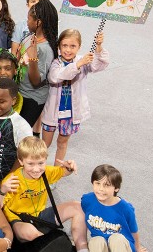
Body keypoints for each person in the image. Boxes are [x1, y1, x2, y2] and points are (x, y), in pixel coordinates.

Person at [0, 137, 86, 252]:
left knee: (78, 207)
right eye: (30, 164)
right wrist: (2, 191)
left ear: (46, 159)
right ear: (21, 161)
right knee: (31, 233)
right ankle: (59, 251)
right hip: (19, 220)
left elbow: (63, 172)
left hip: (39, 216)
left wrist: (69, 168)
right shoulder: (13, 180)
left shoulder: (46, 172)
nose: (36, 169)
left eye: (41, 163)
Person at [43, 30, 109, 162]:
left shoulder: (82, 60)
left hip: (71, 114)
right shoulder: (56, 63)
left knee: (62, 143)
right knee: (44, 145)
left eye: (73, 46)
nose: (68, 50)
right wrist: (78, 64)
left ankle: (57, 172)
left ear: (79, 46)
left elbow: (99, 65)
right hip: (52, 112)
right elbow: (55, 77)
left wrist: (99, 46)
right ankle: (38, 169)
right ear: (59, 46)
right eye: (64, 45)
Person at [17, 0, 59, 131]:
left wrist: (33, 58)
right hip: (20, 92)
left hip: (32, 99)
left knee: (20, 132)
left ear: (38, 22)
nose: (27, 22)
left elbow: (36, 81)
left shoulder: (46, 49)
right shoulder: (29, 38)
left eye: (29, 19)